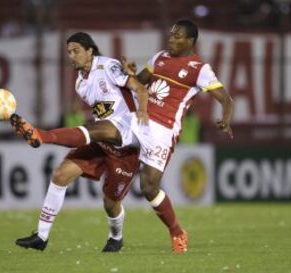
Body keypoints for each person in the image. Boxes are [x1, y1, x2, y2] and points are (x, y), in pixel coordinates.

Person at [13, 20, 233, 253]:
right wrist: (130, 73)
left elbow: (225, 98)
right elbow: (139, 82)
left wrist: (226, 118)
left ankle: (176, 231)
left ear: (190, 41)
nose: (171, 39)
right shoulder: (159, 57)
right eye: (171, 34)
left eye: (177, 36)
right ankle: (41, 141)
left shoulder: (200, 69)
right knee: (91, 140)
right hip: (135, 121)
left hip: (162, 130)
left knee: (148, 188)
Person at [13, 32, 149, 253]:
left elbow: (139, 88)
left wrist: (142, 109)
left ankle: (116, 237)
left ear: (90, 51)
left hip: (127, 138)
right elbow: (103, 111)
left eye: (76, 51)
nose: (71, 56)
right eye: (68, 52)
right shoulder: (80, 84)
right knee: (60, 175)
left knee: (110, 203)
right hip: (102, 137)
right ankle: (41, 236)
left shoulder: (108, 67)